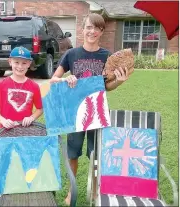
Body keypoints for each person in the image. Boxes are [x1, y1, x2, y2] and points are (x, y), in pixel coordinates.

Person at [49, 13, 129, 205]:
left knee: (95, 154)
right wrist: (65, 79)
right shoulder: (71, 54)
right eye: (89, 27)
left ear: (102, 32)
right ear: (83, 29)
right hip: (76, 112)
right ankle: (71, 190)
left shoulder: (107, 56)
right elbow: (53, 80)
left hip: (97, 112)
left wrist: (118, 81)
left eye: (97, 28)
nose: (92, 31)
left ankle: (94, 189)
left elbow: (106, 86)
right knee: (72, 153)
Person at [0, 46, 43, 129]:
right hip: (5, 131)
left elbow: (40, 109)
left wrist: (31, 118)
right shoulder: (1, 84)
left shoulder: (34, 86)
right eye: (16, 62)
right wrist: (3, 120)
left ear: (29, 64)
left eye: (24, 63)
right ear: (10, 62)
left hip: (25, 130)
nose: (20, 66)